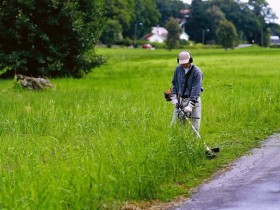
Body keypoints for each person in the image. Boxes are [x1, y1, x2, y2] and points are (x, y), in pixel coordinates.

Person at [170, 51, 203, 131]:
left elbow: (196, 89)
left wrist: (191, 105)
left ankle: (194, 142)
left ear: (190, 60)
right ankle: (178, 142)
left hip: (193, 101)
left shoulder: (197, 72)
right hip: (180, 100)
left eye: (186, 63)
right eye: (182, 63)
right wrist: (174, 97)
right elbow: (174, 83)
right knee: (174, 126)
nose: (184, 65)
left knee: (194, 128)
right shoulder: (178, 69)